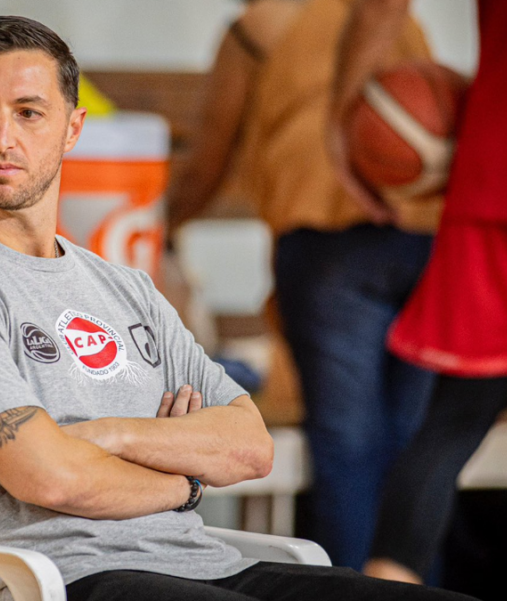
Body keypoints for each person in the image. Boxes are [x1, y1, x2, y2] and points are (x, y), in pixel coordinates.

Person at [0, 15, 474, 601]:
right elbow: (49, 476)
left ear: (72, 128)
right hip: (62, 579)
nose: (2, 138)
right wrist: (185, 477)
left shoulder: (126, 288)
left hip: (205, 566)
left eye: (29, 112)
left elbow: (249, 447)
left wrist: (105, 435)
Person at [168, 0, 439, 570]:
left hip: (328, 243)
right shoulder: (402, 20)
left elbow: (208, 163)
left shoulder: (257, 26)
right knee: (415, 447)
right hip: (424, 239)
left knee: (349, 450)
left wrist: (160, 228)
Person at [327, 0, 507, 585]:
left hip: (499, 169)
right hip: (495, 173)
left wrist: (342, 120)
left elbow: (382, 8)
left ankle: (387, 587)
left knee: (451, 424)